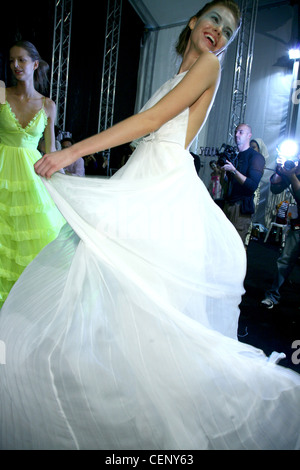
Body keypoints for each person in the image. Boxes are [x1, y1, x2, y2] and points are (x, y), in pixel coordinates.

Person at [0, 2, 300, 451]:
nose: (221, 31)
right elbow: (150, 127)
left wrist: (69, 151)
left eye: (231, 30)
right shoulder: (178, 74)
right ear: (195, 22)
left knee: (150, 317)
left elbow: (152, 122)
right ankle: (129, 418)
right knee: (122, 306)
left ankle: (161, 431)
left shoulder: (211, 67)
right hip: (145, 181)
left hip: (163, 191)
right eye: (215, 19)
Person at [0, 40, 65, 308]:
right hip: (2, 170)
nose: (16, 65)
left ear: (35, 64)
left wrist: (62, 187)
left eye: (22, 60)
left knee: (33, 240)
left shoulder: (48, 105)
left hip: (32, 176)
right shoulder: (1, 93)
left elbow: (50, 150)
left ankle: (23, 308)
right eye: (12, 60)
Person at [261, 157, 300, 309]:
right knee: (285, 260)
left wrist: (291, 176)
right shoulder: (295, 171)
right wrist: (280, 170)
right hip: (297, 225)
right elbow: (275, 188)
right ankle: (272, 295)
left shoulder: (294, 175)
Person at [220, 124, 265, 246]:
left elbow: (252, 185)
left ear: (249, 135)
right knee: (222, 244)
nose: (236, 135)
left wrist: (234, 171)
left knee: (235, 246)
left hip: (240, 209)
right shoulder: (234, 156)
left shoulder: (255, 157)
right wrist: (223, 173)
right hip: (228, 204)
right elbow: (225, 185)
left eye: (240, 132)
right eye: (235, 132)